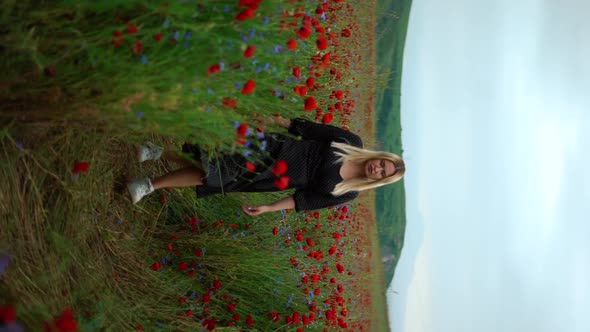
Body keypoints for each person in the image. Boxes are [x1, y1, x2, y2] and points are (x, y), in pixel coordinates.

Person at [127, 116, 405, 215]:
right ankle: (150, 180)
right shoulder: (349, 141)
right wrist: (273, 120)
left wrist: (269, 207)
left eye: (383, 173)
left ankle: (155, 161)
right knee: (207, 166)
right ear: (379, 156)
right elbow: (306, 129)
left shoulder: (349, 192)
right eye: (382, 164)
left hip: (271, 177)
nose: (378, 169)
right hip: (272, 147)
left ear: (380, 180)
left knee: (207, 176)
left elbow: (302, 201)